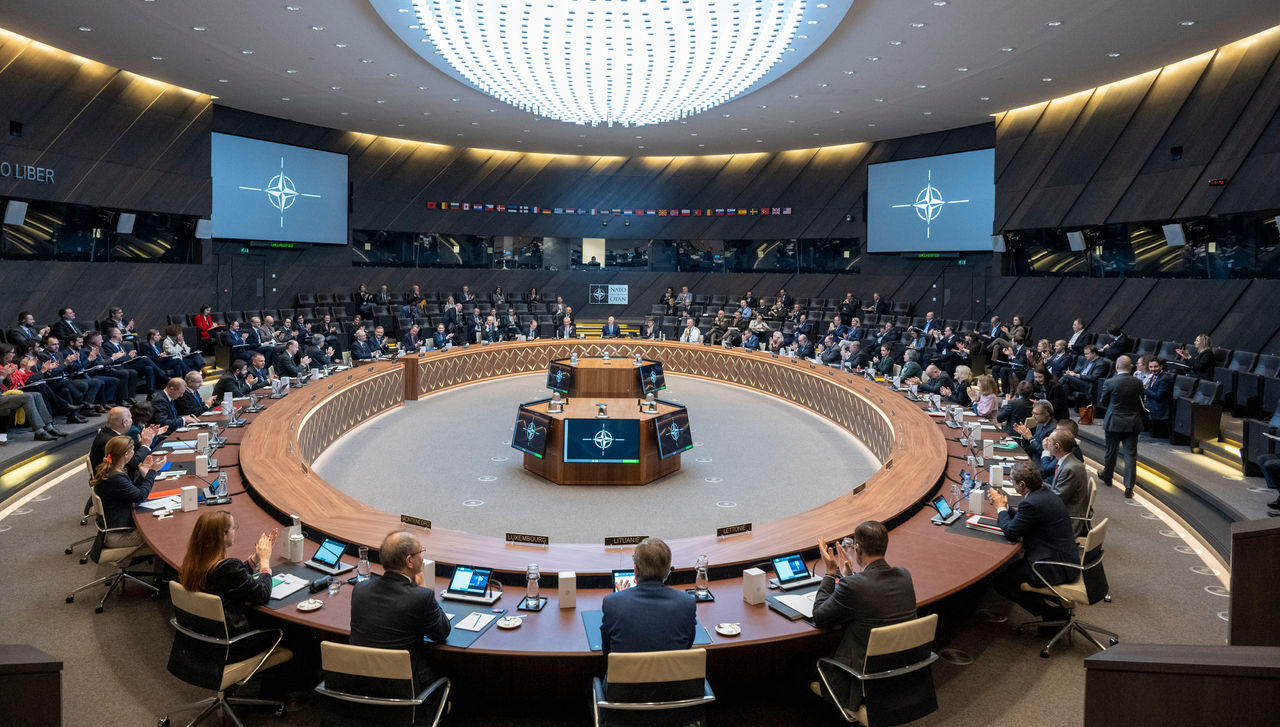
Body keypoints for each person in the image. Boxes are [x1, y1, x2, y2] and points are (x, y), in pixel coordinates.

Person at [811, 521, 917, 706]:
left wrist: (830, 572)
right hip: (901, 669)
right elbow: (872, 595)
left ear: (858, 549)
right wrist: (849, 577)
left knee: (798, 665)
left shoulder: (854, 586)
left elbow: (819, 616)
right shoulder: (904, 575)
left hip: (861, 679)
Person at [349, 530, 452, 689]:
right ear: (409, 561)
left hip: (360, 686)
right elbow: (442, 632)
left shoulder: (360, 589)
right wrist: (424, 588)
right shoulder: (420, 597)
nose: (422, 557)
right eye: (420, 552)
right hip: (404, 691)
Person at [988, 462, 1079, 623]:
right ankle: (1052, 611)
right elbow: (1024, 520)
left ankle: (1051, 614)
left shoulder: (1031, 503)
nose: (1011, 483)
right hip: (1065, 559)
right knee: (1011, 570)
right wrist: (1005, 506)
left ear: (1022, 484)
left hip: (1051, 566)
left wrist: (1000, 508)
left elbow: (1011, 532)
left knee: (1001, 581)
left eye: (1012, 481)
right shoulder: (1044, 493)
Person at [178, 510, 277, 634]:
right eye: (233, 527)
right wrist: (265, 562)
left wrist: (256, 558)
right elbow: (261, 594)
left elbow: (234, 579)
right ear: (223, 535)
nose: (235, 530)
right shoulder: (228, 569)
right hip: (233, 638)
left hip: (202, 633)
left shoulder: (193, 563)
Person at [600, 538, 695, 656]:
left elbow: (607, 652)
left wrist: (623, 598)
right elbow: (687, 646)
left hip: (628, 669)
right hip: (671, 668)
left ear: (636, 569)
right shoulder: (687, 604)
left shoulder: (612, 603)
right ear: (667, 572)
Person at [92, 435, 164, 545]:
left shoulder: (113, 470)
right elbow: (140, 496)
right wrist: (152, 472)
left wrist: (143, 475)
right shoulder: (115, 477)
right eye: (133, 450)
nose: (134, 452)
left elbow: (131, 491)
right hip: (119, 535)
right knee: (162, 532)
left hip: (116, 528)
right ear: (126, 454)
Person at [1099, 355, 1146, 498]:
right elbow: (1141, 403)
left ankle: (1108, 477)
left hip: (1114, 421)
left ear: (1117, 366)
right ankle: (1129, 487)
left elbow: (1103, 402)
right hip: (1132, 422)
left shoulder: (1109, 382)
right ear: (1130, 366)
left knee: (1111, 452)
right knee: (1130, 455)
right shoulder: (1138, 382)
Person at [1045, 430, 1091, 536]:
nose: (1046, 443)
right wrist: (1035, 483)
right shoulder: (1067, 461)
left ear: (1057, 446)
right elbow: (1056, 490)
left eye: (1049, 441)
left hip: (1067, 521)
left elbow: (1056, 500)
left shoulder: (1070, 468)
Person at [1144, 357, 1174, 438]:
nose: (1153, 369)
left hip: (1160, 408)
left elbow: (1158, 396)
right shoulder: (1154, 376)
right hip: (1152, 403)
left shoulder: (1165, 378)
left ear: (1161, 366)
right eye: (1151, 367)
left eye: (1155, 367)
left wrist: (1145, 390)